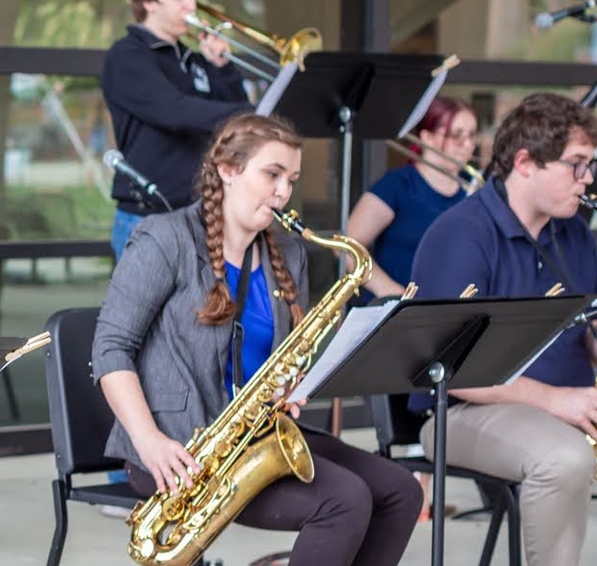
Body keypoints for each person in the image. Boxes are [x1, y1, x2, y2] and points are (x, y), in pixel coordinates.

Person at [93, 113, 421, 565]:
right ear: (228, 169)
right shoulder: (165, 239)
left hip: (257, 435)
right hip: (177, 452)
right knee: (343, 500)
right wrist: (149, 442)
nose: (284, 192)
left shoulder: (286, 251)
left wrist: (292, 387)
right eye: (272, 174)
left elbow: (286, 353)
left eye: (292, 178)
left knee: (400, 490)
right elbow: (111, 348)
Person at [409, 93, 597, 566]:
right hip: (460, 413)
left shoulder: (575, 233)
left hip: (568, 408)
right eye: (576, 165)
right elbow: (455, 369)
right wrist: (558, 401)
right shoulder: (460, 234)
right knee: (564, 459)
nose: (588, 180)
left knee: (567, 450)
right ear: (526, 163)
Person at [102, 0, 252, 260]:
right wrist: (251, 116)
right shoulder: (128, 56)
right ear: (149, 2)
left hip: (201, 214)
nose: (192, 6)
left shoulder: (194, 59)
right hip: (148, 217)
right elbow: (174, 111)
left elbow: (239, 116)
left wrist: (222, 69)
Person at [345, 96, 480, 303]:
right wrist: (394, 294)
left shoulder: (475, 187)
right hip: (395, 315)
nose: (468, 145)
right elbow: (347, 247)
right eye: (456, 135)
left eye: (472, 135)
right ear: (426, 137)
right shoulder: (397, 185)